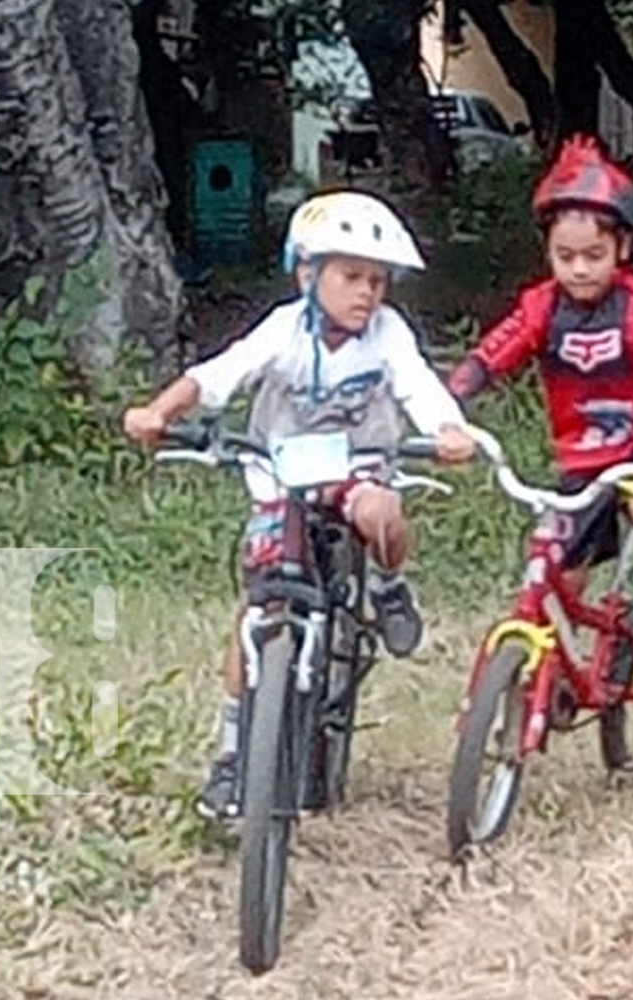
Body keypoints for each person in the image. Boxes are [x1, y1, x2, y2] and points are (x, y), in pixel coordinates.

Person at [123, 189, 475, 819]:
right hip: (282, 478)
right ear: (308, 273)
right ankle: (233, 753)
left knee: (380, 514)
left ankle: (390, 586)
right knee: (256, 611)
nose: (366, 293)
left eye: (377, 280)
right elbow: (216, 375)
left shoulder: (388, 335)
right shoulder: (285, 328)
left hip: (357, 473)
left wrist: (447, 429)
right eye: (350, 276)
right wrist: (159, 412)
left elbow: (420, 386)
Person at [445, 134, 633, 662]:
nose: (579, 269)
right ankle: (556, 670)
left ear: (625, 249)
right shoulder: (541, 306)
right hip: (583, 457)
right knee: (560, 573)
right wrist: (445, 406)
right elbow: (493, 352)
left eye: (594, 255)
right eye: (565, 256)